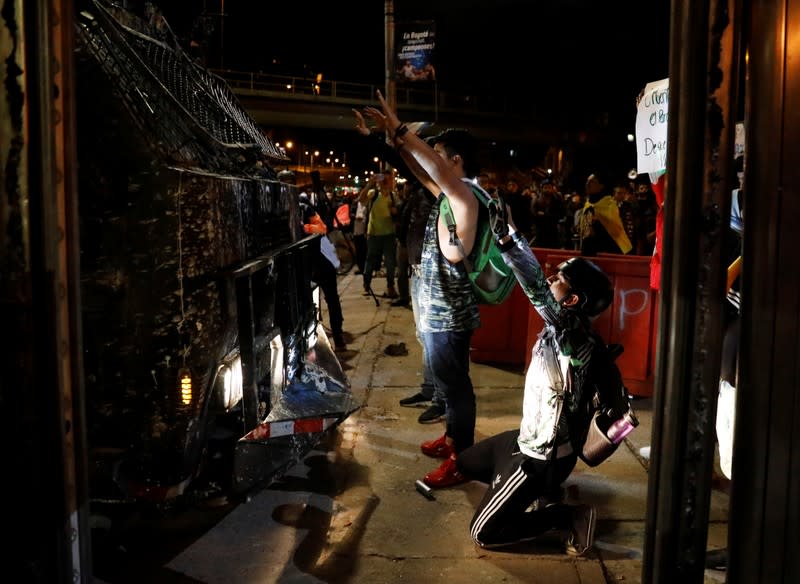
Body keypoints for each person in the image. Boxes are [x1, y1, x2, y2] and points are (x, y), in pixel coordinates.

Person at [453, 204, 613, 556]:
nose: (551, 278)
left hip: (542, 458)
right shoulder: (567, 327)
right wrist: (512, 232)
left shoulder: (571, 335)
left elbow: (536, 289)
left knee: (483, 533)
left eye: (559, 280)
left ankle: (565, 516)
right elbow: (542, 287)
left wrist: (508, 242)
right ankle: (533, 490)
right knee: (464, 462)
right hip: (525, 438)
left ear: (571, 300)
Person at [361, 91, 482, 487]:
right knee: (449, 384)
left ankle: (463, 459)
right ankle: (452, 439)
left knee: (455, 385)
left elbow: (436, 171)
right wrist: (397, 144)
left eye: (442, 154)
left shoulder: (467, 196)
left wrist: (401, 129)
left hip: (450, 316)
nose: (436, 160)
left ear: (457, 161)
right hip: (438, 313)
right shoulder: (450, 196)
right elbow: (423, 172)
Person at [352, 109, 445, 423]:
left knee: (436, 338)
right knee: (423, 335)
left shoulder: (440, 182)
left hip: (436, 273)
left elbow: (400, 160)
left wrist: (386, 138)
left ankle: (442, 397)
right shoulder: (422, 185)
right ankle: (430, 388)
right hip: (419, 269)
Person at [280, 170, 347, 351]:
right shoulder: (278, 208)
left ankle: (338, 336)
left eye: (289, 183)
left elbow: (322, 228)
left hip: (317, 259)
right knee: (301, 304)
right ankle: (307, 340)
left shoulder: (304, 207)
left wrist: (303, 228)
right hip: (297, 265)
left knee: (332, 298)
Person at [358, 172, 399, 299]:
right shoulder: (373, 193)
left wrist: (394, 212)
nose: (385, 180)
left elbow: (397, 212)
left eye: (387, 178)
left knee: (390, 262)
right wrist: (369, 184)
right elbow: (361, 200)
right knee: (370, 259)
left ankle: (390, 286)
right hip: (374, 233)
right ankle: (366, 284)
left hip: (389, 234)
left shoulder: (393, 196)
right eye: (383, 178)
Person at [576, 172, 632, 256]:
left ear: (601, 186)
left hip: (609, 253)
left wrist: (597, 225)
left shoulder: (609, 205)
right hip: (589, 253)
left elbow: (616, 231)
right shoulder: (588, 204)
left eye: (592, 182)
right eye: (587, 181)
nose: (587, 184)